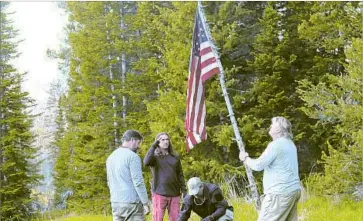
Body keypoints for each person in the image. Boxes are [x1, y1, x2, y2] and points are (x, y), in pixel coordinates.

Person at [239, 116, 301, 221]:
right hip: (293, 191)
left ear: (278, 129)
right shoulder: (290, 144)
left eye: (273, 125)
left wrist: (245, 158)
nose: (270, 127)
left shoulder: (276, 145)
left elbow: (258, 165)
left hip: (279, 194)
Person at [106, 129, 150, 221]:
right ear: (132, 140)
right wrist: (145, 203)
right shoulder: (133, 157)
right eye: (138, 143)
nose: (138, 146)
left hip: (115, 202)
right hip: (132, 203)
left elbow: (109, 182)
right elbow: (138, 182)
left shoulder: (111, 157)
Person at [144, 132, 187, 221]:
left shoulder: (175, 157)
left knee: (176, 219)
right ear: (158, 142)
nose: (165, 141)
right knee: (157, 219)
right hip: (159, 193)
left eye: (167, 139)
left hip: (175, 194)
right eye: (162, 140)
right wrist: (154, 145)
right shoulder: (154, 158)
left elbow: (180, 175)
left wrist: (184, 190)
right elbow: (146, 162)